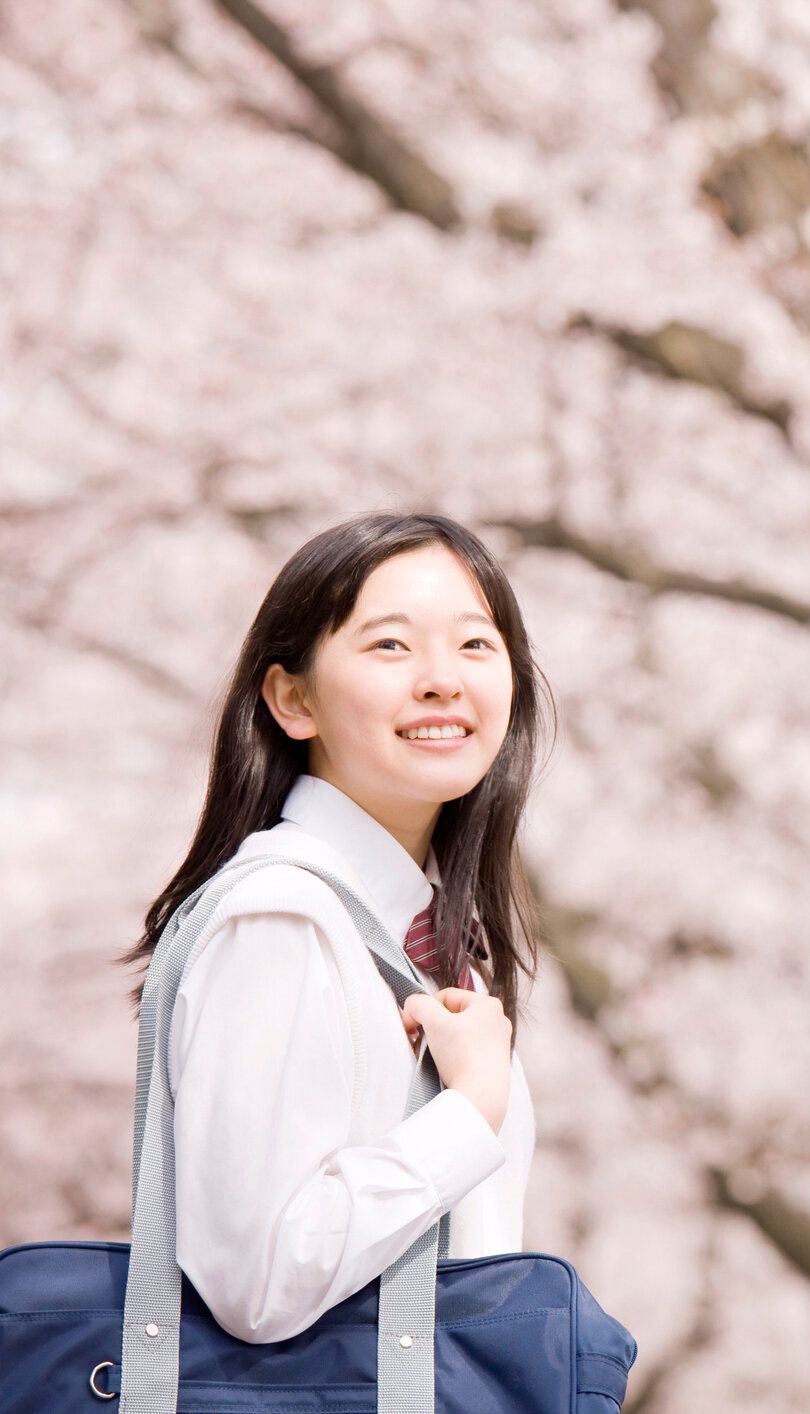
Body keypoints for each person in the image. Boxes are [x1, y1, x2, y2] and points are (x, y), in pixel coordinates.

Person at [115, 511, 557, 1345]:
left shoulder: (423, 938)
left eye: (475, 644)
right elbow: (256, 1280)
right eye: (390, 646)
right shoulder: (282, 919)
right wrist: (467, 1113)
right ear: (292, 699)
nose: (440, 681)